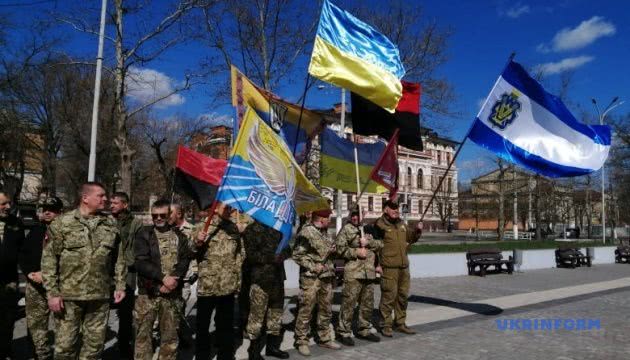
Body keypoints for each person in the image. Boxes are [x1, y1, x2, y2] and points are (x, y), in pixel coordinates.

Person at [41, 182, 127, 360]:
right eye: (101, 195)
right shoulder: (62, 223)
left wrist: (120, 285)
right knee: (65, 348)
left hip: (99, 296)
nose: (106, 199)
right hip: (69, 297)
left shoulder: (110, 224)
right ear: (85, 198)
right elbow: (49, 260)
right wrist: (52, 293)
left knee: (94, 347)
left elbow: (118, 257)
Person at [133, 199, 192, 360]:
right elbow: (140, 262)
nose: (158, 218)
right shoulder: (144, 234)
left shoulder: (179, 236)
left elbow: (185, 259)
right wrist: (162, 279)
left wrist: (174, 279)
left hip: (172, 293)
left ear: (169, 215)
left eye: (162, 215)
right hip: (148, 293)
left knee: (170, 337)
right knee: (143, 336)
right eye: (154, 215)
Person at [192, 203, 246, 360]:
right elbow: (190, 251)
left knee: (225, 325)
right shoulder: (203, 227)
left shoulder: (233, 228)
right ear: (215, 208)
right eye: (226, 207)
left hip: (227, 285)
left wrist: (237, 280)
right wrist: (197, 241)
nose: (230, 210)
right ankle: (202, 356)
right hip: (208, 285)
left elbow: (239, 255)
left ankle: (226, 355)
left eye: (231, 208)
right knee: (202, 325)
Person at [19, 196, 63, 360]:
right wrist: (30, 273)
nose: (47, 212)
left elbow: (71, 261)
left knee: (63, 327)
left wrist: (48, 276)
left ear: (60, 212)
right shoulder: (36, 230)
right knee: (35, 325)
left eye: (51, 210)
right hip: (35, 286)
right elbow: (23, 254)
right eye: (44, 209)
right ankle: (38, 355)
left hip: (58, 287)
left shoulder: (67, 232)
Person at [292, 209, 341, 356]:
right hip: (311, 279)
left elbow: (329, 251)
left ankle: (324, 338)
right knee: (306, 309)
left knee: (326, 309)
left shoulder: (325, 232)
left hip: (326, 277)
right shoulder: (306, 233)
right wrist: (313, 266)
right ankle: (301, 340)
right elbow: (297, 255)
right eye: (328, 217)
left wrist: (334, 249)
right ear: (321, 218)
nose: (330, 219)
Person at [373, 200, 421, 337]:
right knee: (389, 296)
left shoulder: (401, 224)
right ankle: (386, 325)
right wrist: (377, 264)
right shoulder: (379, 225)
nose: (396, 210)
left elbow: (411, 237)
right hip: (389, 267)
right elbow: (375, 247)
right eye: (392, 208)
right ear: (385, 210)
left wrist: (417, 231)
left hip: (403, 267)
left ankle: (400, 323)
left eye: (397, 208)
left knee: (402, 297)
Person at [242, 221, 290, 360]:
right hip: (260, 279)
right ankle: (254, 351)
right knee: (257, 316)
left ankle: (272, 347)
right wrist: (271, 257)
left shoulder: (278, 229)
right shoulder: (251, 229)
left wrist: (282, 255)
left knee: (275, 314)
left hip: (277, 278)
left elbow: (288, 249)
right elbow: (251, 255)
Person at [335, 209, 382, 346]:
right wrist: (356, 251)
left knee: (367, 304)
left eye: (358, 215)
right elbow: (339, 248)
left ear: (363, 215)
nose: (356, 218)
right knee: (348, 304)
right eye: (353, 215)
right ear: (350, 216)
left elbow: (381, 244)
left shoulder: (368, 229)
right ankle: (343, 332)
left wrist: (369, 243)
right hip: (353, 273)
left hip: (369, 273)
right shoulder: (346, 230)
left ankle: (364, 330)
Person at [110, 192, 143, 358]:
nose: (111, 205)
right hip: (107, 271)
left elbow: (139, 248)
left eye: (115, 203)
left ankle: (124, 345)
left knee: (125, 310)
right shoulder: (107, 221)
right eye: (111, 202)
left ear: (125, 204)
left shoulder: (135, 224)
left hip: (127, 271)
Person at [0, 190, 25, 359]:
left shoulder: (16, 223)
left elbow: (22, 251)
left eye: (8, 203)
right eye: (3, 204)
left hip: (9, 281)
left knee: (7, 320)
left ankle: (5, 351)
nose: (8, 206)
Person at [168, 202, 196, 347]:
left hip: (184, 278)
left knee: (180, 309)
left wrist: (194, 273)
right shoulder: (165, 230)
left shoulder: (191, 230)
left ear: (179, 214)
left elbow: (195, 253)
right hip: (166, 277)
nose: (166, 216)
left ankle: (179, 336)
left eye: (170, 213)